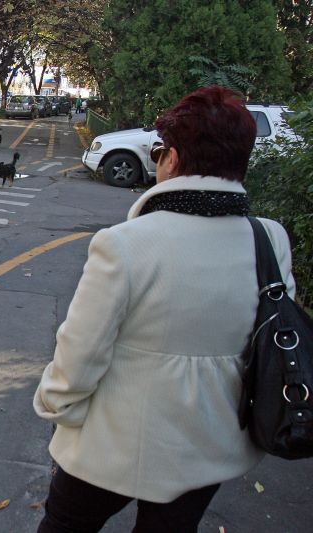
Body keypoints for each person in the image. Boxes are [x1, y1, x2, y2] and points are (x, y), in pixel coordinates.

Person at [32, 85, 295, 532]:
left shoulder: (124, 244)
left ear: (171, 158)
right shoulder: (269, 238)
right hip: (209, 446)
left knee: (65, 525)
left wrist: (60, 412)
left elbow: (78, 355)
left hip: (109, 444)